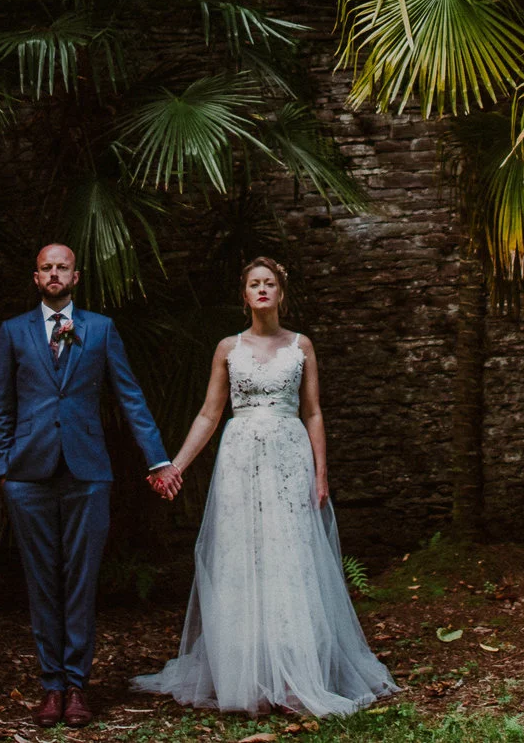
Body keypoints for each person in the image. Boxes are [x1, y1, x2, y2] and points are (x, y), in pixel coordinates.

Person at [131, 256, 398, 717]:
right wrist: (175, 465)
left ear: (280, 293)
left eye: (269, 283)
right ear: (244, 294)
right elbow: (210, 414)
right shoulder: (227, 348)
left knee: (289, 555)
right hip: (239, 459)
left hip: (289, 455)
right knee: (243, 554)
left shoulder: (301, 345)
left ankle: (297, 673)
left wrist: (321, 473)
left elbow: (312, 411)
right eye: (253, 284)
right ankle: (246, 674)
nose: (261, 290)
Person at [0, 243, 182, 729]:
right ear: (36, 278)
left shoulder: (99, 329)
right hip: (28, 476)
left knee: (79, 581)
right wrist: (4, 468)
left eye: (63, 267)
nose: (55, 274)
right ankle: (50, 686)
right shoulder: (12, 332)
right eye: (46, 268)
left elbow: (130, 396)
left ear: (76, 277)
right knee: (42, 582)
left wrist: (158, 459)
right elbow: (2, 408)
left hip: (87, 474)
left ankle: (77, 687)